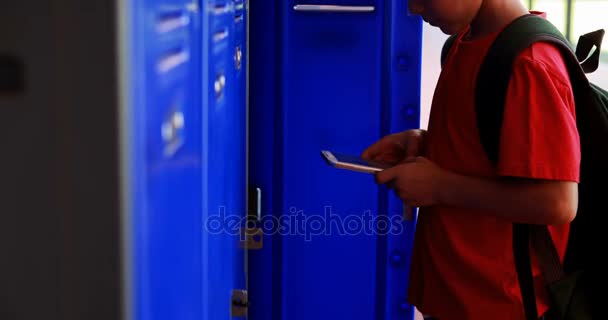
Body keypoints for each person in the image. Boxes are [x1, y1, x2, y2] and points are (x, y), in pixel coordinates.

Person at [361, 1, 581, 319]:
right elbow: (488, 150)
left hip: (499, 305)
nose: (412, 7)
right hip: (451, 298)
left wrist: (440, 187)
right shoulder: (465, 42)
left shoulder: (529, 63)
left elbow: (557, 202)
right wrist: (427, 144)